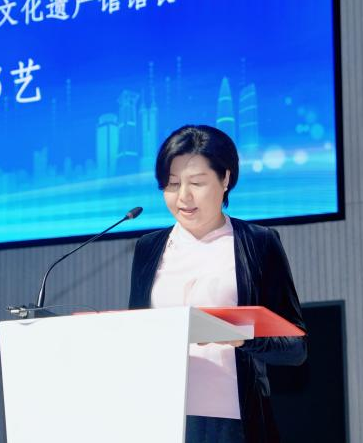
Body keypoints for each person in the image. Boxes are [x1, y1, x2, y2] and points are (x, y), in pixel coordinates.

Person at [129, 125, 307, 443]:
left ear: (225, 179)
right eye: (172, 184)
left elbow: (295, 348)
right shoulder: (148, 248)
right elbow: (137, 333)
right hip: (161, 417)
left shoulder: (259, 243)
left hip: (232, 422)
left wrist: (237, 336)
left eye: (197, 183)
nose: (183, 196)